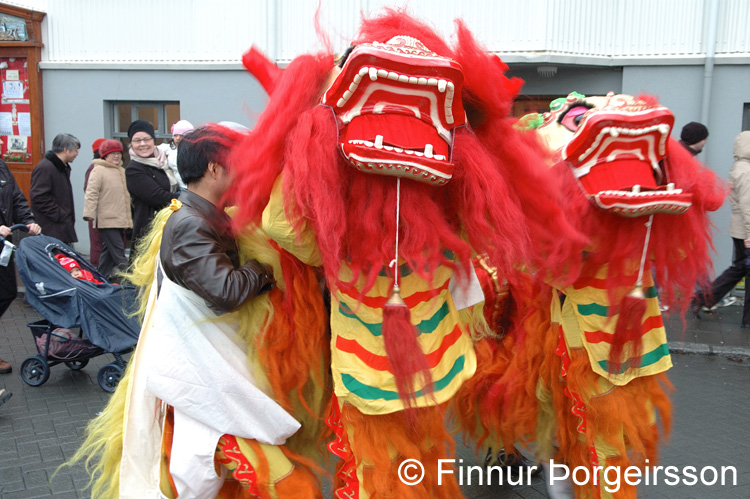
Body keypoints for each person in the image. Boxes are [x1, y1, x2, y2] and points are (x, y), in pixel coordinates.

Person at [70, 125, 319, 498]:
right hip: (208, 385)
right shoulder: (189, 223)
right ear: (214, 170)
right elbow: (226, 291)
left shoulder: (202, 215)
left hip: (211, 381)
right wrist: (265, 269)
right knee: (291, 486)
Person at [695, 131, 750, 326]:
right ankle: (704, 298)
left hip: (740, 229)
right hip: (745, 230)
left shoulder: (740, 166)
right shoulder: (746, 170)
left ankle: (704, 298)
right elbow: (747, 205)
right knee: (742, 268)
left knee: (741, 268)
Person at [0, 158, 41, 378]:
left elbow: (16, 197)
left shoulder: (2, 166)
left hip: (2, 245)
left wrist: (28, 220)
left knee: (6, 293)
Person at [124, 120, 179, 257]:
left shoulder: (165, 161)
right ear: (131, 144)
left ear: (153, 140)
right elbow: (158, 197)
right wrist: (190, 197)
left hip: (173, 226)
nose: (142, 144)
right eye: (137, 140)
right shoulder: (133, 170)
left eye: (146, 139)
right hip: (150, 232)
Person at [83, 140, 132, 279]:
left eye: (118, 153)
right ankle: (133, 281)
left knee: (108, 253)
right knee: (118, 253)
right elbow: (91, 193)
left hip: (119, 219)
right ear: (104, 155)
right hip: (106, 219)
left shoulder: (122, 171)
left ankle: (99, 279)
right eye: (112, 154)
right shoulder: (98, 170)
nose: (116, 156)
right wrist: (89, 214)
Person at [29, 133, 80, 245]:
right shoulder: (46, 168)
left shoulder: (61, 167)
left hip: (60, 227)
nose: (77, 154)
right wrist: (60, 215)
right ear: (66, 150)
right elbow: (38, 197)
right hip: (52, 229)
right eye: (75, 150)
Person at [84, 138, 106, 266]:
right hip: (99, 216)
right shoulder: (94, 169)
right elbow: (90, 193)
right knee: (98, 246)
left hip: (109, 215)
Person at [157, 119, 194, 189]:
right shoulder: (170, 148)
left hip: (192, 190)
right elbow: (152, 150)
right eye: (175, 135)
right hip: (177, 188)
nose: (177, 138)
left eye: (181, 135)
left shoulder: (195, 151)